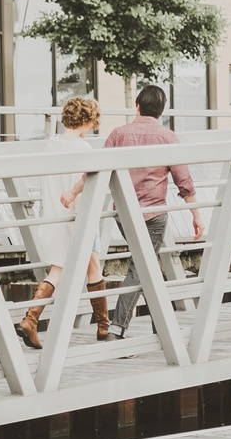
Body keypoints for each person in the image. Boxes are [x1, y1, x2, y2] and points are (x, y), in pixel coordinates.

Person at [17, 97, 114, 349]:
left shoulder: (51, 145)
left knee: (57, 271)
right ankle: (104, 329)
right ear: (84, 121)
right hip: (78, 216)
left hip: (54, 217)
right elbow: (86, 179)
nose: (92, 128)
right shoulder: (83, 149)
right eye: (92, 123)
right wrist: (73, 195)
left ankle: (30, 319)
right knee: (93, 268)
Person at [105, 83, 201, 338]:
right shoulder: (167, 137)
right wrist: (196, 215)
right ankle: (117, 328)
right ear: (161, 111)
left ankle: (162, 325)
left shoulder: (118, 134)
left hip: (124, 214)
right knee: (141, 267)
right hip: (154, 215)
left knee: (147, 266)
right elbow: (184, 181)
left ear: (137, 106)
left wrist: (73, 193)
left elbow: (97, 171)